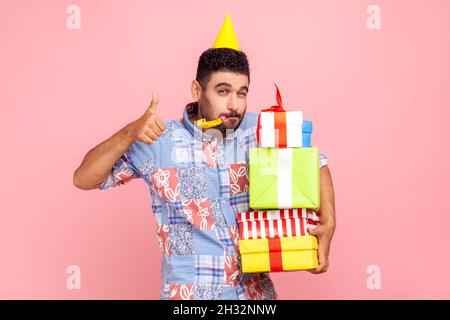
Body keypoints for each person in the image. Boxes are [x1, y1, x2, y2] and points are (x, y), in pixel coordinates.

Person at [73, 15, 336, 300]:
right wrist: (128, 133)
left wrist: (329, 219)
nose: (234, 105)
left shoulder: (259, 130)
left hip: (255, 295)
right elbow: (84, 178)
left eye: (241, 93)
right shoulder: (158, 140)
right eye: (223, 91)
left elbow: (316, 163)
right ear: (198, 90)